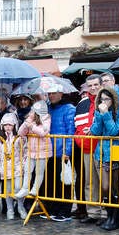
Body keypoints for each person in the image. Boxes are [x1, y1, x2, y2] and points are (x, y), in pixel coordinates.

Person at [89, 86, 119, 231]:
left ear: (113, 99)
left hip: (115, 152)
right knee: (105, 187)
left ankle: (115, 219)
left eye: (106, 99)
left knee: (116, 188)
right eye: (101, 99)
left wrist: (106, 114)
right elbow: (95, 131)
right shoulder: (99, 111)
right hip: (102, 153)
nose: (103, 102)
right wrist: (100, 115)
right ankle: (109, 216)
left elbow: (113, 131)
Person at [73, 74, 102, 223]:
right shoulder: (82, 103)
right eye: (90, 85)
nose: (93, 88)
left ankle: (106, 213)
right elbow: (77, 125)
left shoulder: (107, 100)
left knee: (105, 183)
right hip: (86, 148)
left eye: (96, 84)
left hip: (103, 148)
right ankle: (93, 213)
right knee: (90, 182)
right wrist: (80, 140)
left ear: (101, 85)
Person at [44, 91, 76, 221]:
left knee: (63, 182)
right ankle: (53, 208)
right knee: (51, 182)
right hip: (49, 150)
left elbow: (71, 131)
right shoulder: (48, 108)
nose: (51, 96)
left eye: (54, 93)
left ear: (61, 94)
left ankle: (65, 211)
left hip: (61, 150)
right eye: (49, 93)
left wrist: (67, 151)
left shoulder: (69, 108)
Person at [0, 112, 27, 220]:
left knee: (18, 188)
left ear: (14, 125)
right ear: (2, 126)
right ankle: (10, 209)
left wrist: (23, 165)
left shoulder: (19, 138)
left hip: (17, 167)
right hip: (5, 168)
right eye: (5, 125)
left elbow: (25, 152)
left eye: (10, 125)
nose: (8, 127)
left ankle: (20, 207)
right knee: (7, 190)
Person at [15, 100, 52, 199]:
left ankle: (35, 189)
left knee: (39, 172)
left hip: (43, 151)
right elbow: (20, 133)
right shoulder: (30, 120)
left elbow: (43, 132)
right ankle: (25, 188)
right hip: (31, 150)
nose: (31, 112)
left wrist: (32, 126)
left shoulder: (47, 118)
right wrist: (26, 123)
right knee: (27, 170)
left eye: (33, 111)